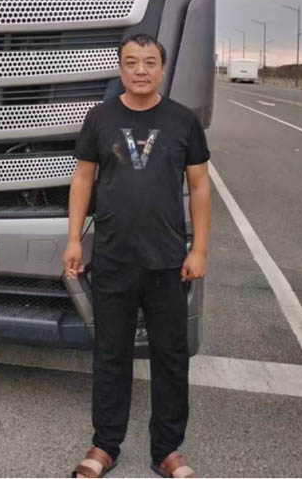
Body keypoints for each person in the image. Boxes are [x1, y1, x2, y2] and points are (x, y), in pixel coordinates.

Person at [65, 34, 211, 479]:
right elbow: (83, 179)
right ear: (121, 69)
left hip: (168, 261)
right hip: (113, 258)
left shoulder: (183, 121)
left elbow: (200, 186)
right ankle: (105, 445)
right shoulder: (100, 117)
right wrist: (74, 240)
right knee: (111, 354)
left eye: (149, 62)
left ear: (162, 69)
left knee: (170, 356)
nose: (140, 70)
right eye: (131, 63)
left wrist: (199, 248)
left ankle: (167, 450)